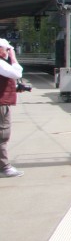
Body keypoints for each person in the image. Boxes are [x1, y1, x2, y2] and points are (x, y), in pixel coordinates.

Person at [0, 37, 25, 178]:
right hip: (1, 105)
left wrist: (13, 88)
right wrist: (14, 58)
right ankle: (5, 167)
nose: (8, 52)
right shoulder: (0, 63)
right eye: (6, 49)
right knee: (2, 135)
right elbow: (17, 73)